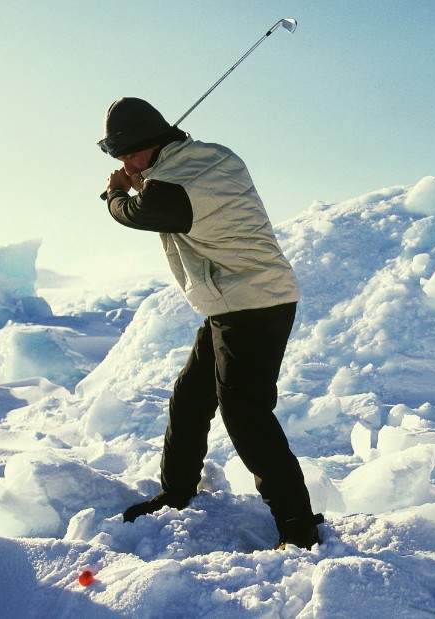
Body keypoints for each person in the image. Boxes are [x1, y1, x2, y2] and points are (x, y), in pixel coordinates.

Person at [98, 97, 323, 550]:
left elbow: (136, 212)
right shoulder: (212, 157)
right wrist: (143, 176)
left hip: (253, 304)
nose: (122, 162)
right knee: (191, 396)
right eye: (116, 157)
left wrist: (115, 191)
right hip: (236, 301)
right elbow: (165, 192)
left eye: (126, 153)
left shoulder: (172, 188)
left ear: (150, 142)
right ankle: (177, 491)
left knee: (246, 414)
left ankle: (298, 527)